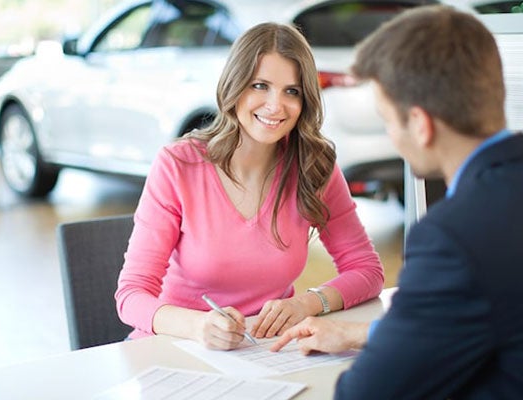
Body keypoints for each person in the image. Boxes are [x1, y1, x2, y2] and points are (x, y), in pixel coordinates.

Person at [272, 5, 523, 399]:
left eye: (388, 120)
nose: (392, 137)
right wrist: (364, 335)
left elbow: (365, 392)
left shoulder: (453, 236)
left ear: (420, 124)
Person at [115, 22, 384, 350]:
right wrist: (198, 326)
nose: (275, 106)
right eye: (260, 85)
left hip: (267, 352)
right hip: (174, 348)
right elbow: (131, 295)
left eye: (292, 91)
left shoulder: (314, 166)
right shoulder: (178, 165)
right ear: (235, 85)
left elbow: (367, 270)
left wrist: (305, 304)